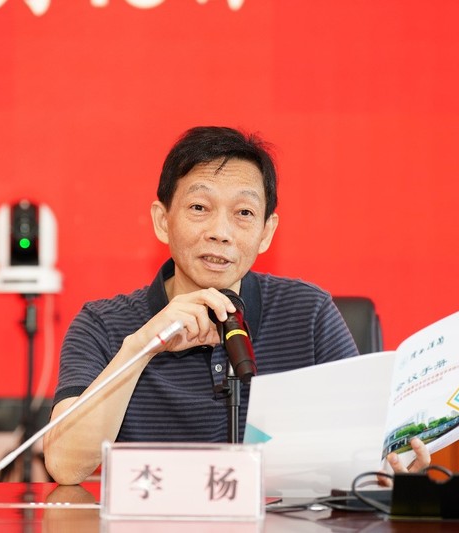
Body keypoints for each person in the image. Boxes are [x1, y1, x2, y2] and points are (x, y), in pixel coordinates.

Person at [43, 126, 430, 485]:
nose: (220, 232)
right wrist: (141, 347)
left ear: (266, 232)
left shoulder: (308, 313)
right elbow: (64, 465)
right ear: (162, 221)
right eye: (199, 207)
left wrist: (387, 468)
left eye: (244, 213)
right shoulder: (103, 325)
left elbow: (365, 448)